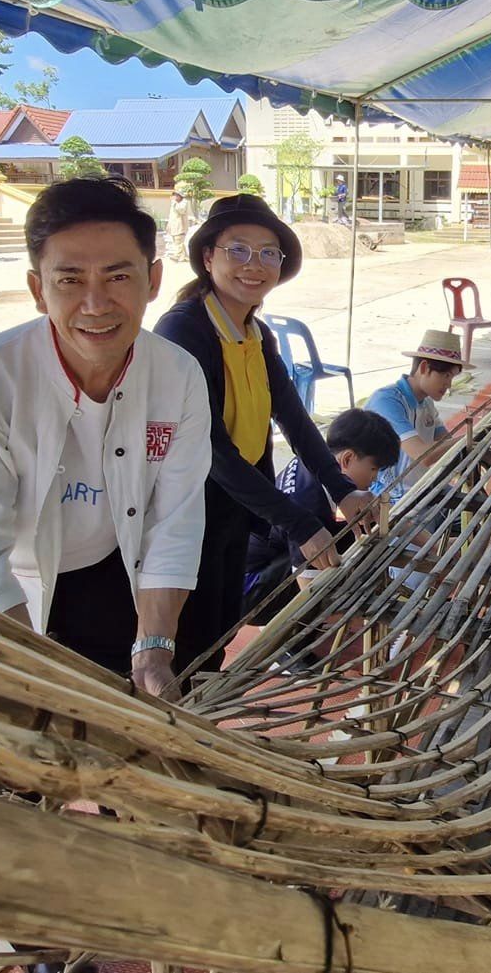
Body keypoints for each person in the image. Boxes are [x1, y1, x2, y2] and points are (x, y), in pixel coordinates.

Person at [0, 176, 212, 699]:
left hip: (116, 570)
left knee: (138, 707)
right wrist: (33, 672)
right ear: (38, 290)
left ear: (152, 281)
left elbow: (174, 517)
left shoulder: (179, 375)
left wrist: (153, 647)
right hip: (14, 589)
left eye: (117, 276)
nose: (96, 303)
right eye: (70, 280)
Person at [155, 193, 376, 670]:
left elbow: (293, 419)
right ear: (208, 257)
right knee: (183, 642)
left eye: (268, 253)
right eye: (238, 250)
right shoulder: (184, 332)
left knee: (217, 632)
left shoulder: (255, 332)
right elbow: (209, 448)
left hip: (235, 508)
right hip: (186, 514)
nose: (254, 265)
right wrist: (299, 521)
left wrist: (342, 490)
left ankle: (200, 719)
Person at [243, 408, 402, 621]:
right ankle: (292, 645)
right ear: (347, 459)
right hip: (248, 589)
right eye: (374, 469)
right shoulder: (308, 502)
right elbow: (308, 590)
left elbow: (381, 518)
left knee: (356, 530)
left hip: (266, 560)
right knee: (329, 552)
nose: (375, 478)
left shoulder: (314, 460)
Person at [365, 329, 469, 501]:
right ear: (424, 368)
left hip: (421, 489)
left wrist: (473, 443)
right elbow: (424, 456)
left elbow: (445, 442)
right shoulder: (388, 401)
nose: (449, 384)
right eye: (446, 375)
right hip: (390, 497)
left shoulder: (426, 403)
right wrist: (466, 438)